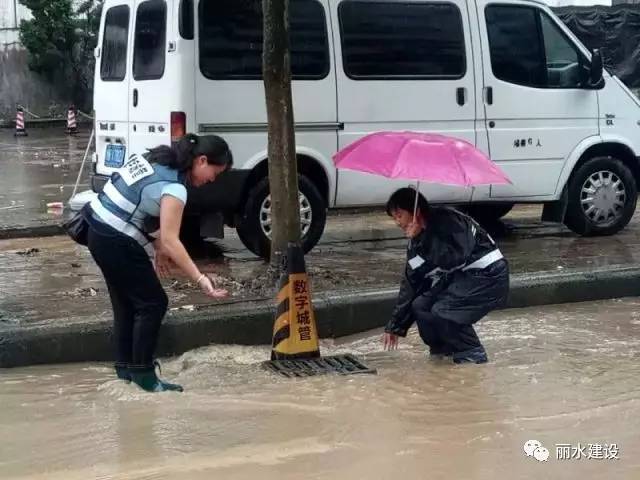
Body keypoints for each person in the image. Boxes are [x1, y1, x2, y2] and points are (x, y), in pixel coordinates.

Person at [86, 134, 233, 392]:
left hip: (96, 228)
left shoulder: (155, 159)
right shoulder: (176, 188)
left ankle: (126, 368)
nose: (212, 180)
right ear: (201, 161)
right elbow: (171, 240)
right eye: (214, 172)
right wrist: (201, 279)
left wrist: (157, 246)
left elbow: (136, 200)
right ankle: (144, 375)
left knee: (126, 303)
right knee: (154, 303)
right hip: (115, 238)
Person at [382, 188, 509, 364]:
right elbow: (412, 283)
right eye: (394, 217)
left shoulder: (450, 220)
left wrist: (422, 237)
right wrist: (396, 326)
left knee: (444, 311)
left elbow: (455, 257)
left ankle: (472, 356)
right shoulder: (415, 243)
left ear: (416, 212)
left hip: (488, 275)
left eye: (399, 215)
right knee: (421, 306)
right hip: (459, 279)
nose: (397, 222)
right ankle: (442, 353)